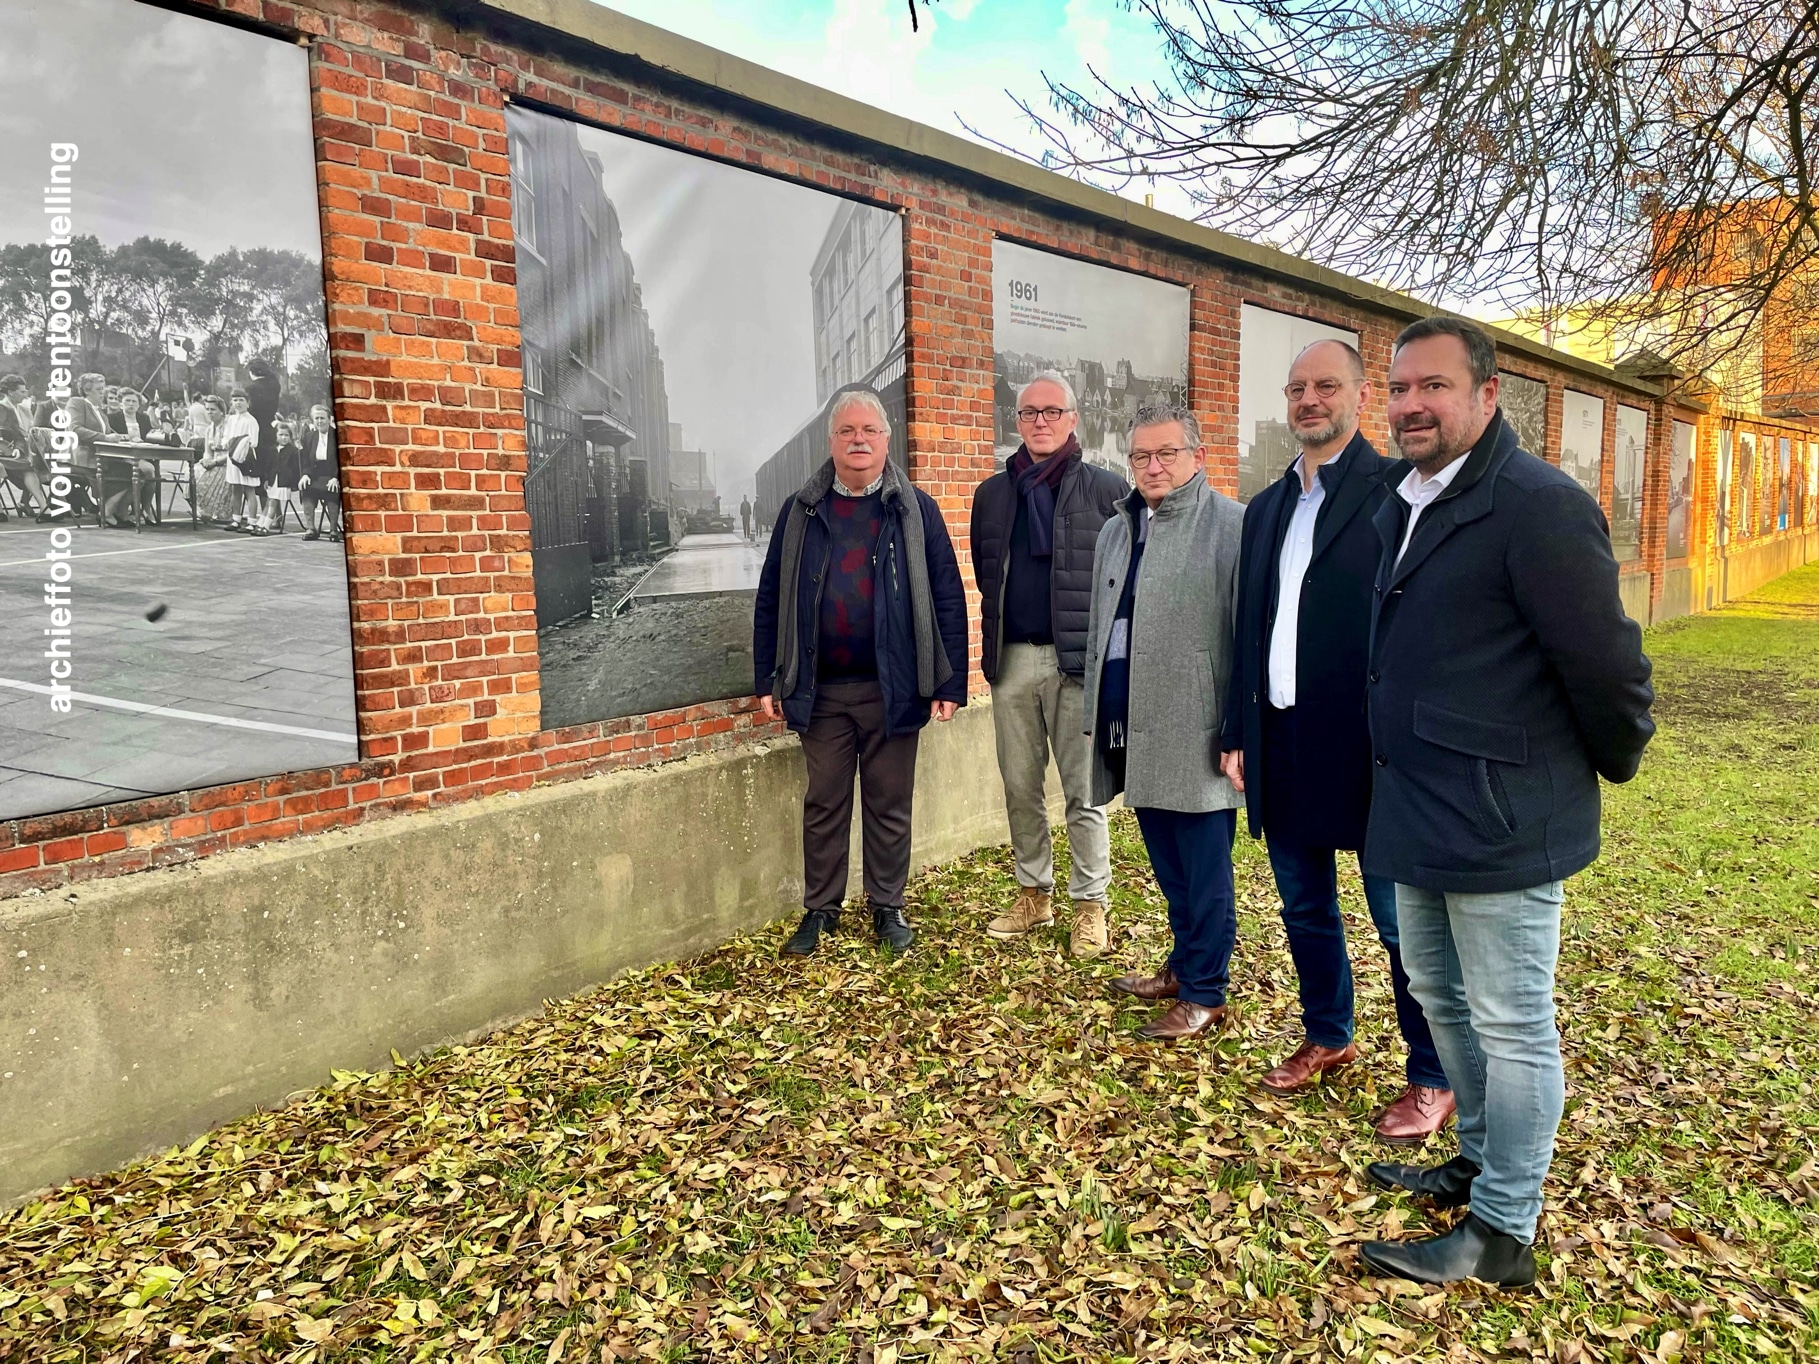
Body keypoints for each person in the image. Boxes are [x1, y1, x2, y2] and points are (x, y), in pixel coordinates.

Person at [1357, 317, 1655, 1287]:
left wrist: (1604, 765)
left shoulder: (1537, 506)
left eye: (1432, 386)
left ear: (1487, 396)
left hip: (1499, 816)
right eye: (1399, 387)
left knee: (1514, 1022)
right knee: (1439, 998)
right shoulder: (1406, 499)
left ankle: (1502, 1228)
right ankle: (1478, 1160)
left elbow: (1608, 667)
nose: (1410, 404)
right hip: (1415, 810)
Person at [1220, 340, 1454, 1142]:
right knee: (1303, 907)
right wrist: (1236, 730)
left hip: (1370, 749)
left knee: (1400, 922)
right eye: (1296, 388)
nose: (1308, 399)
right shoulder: (1264, 508)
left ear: (1360, 397)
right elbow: (1246, 629)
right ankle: (1328, 1034)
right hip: (1280, 740)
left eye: (1325, 385)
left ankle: (1431, 1071)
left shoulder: (1399, 491)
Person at [752, 388, 968, 956]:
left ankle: (887, 906)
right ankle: (821, 910)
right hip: (821, 690)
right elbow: (771, 594)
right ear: (832, 442)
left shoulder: (914, 508)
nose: (858, 441)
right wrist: (767, 678)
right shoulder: (801, 510)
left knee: (889, 800)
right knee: (824, 801)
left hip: (893, 687)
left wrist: (948, 682)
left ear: (886, 438)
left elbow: (946, 593)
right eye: (847, 431)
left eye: (869, 430)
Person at [1082, 401, 1243, 1040]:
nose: (1152, 466)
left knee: (1204, 868)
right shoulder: (1117, 529)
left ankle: (1206, 990)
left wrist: (1237, 729)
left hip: (1198, 727)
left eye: (1166, 454)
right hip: (1134, 721)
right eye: (1141, 455)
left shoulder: (1231, 525)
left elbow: (1246, 638)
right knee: (1167, 862)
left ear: (1196, 457)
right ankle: (1182, 967)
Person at [969, 372, 1127, 957]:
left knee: (1083, 790)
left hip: (1077, 664)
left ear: (1073, 418)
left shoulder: (1107, 490)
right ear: (1017, 421)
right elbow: (990, 575)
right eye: (1030, 412)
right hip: (1012, 661)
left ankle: (1091, 905)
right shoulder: (992, 494)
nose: (1041, 421)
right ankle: (1033, 893)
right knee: (1019, 785)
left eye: (1052, 411)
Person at [101, 389, 173, 527]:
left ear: (139, 405)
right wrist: (128, 438)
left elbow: (149, 437)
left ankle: (143, 509)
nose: (131, 404)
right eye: (127, 401)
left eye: (134, 401)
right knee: (148, 471)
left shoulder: (144, 418)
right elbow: (111, 437)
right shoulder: (112, 418)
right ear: (121, 403)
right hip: (121, 457)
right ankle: (131, 510)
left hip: (143, 455)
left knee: (150, 472)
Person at [0, 374, 46, 519]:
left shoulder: (23, 410)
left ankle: (43, 508)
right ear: (10, 392)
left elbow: (22, 435)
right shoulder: (2, 409)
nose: (26, 395)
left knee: (33, 465)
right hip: (4, 453)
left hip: (19, 452)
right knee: (31, 464)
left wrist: (18, 449)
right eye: (22, 391)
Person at [245, 357, 283, 533]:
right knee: (272, 474)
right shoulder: (275, 385)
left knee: (259, 475)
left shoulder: (251, 389)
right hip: (270, 432)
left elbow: (250, 411)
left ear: (252, 372)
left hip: (256, 432)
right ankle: (277, 514)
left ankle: (264, 514)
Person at [217, 390, 262, 532]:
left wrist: (239, 447)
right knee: (236, 488)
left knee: (249, 489)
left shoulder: (251, 421)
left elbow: (253, 442)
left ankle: (252, 522)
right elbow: (226, 436)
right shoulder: (230, 419)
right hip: (232, 459)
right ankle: (236, 520)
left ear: (248, 403)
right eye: (235, 400)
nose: (238, 403)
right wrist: (227, 444)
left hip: (246, 458)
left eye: (241, 400)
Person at [298, 404, 341, 541]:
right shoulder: (310, 436)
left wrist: (336, 477)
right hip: (315, 474)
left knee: (332, 489)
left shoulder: (338, 435)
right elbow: (306, 460)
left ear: (329, 419)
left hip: (332, 473)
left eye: (322, 418)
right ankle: (311, 529)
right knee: (306, 487)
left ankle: (334, 530)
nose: (319, 421)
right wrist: (305, 474)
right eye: (316, 418)